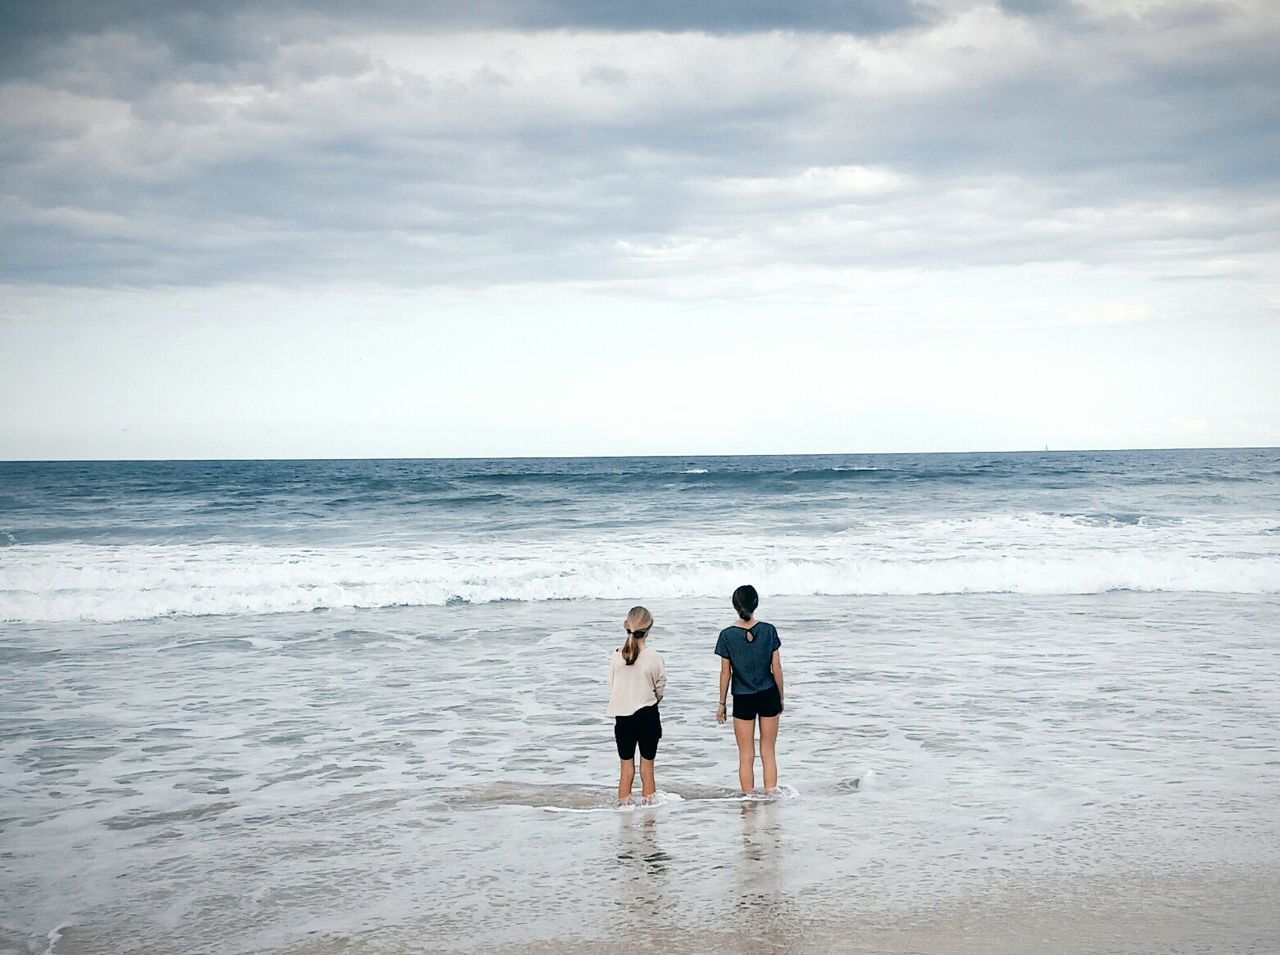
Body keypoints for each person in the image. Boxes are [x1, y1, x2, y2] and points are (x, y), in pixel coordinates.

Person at [714, 584, 784, 795]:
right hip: (768, 692)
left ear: (735, 606)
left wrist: (722, 704)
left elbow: (725, 673)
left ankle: (748, 800)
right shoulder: (769, 630)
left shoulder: (726, 635)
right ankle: (771, 795)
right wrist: (780, 696)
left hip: (743, 697)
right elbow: (777, 668)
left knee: (746, 754)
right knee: (768, 751)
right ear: (756, 604)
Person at [607, 606, 666, 805]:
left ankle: (624, 814)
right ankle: (649, 819)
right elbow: (660, 692)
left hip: (622, 717)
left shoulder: (616, 656)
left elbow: (613, 686)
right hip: (647, 715)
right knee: (647, 769)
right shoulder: (654, 657)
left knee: (626, 768)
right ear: (648, 629)